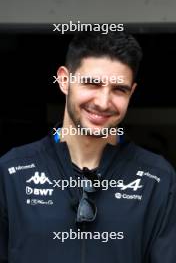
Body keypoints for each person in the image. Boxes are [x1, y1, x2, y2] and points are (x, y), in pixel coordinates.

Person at [0, 31, 176, 263]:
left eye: (118, 89)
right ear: (64, 80)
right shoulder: (12, 172)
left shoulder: (157, 178)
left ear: (131, 93)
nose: (103, 102)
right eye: (92, 84)